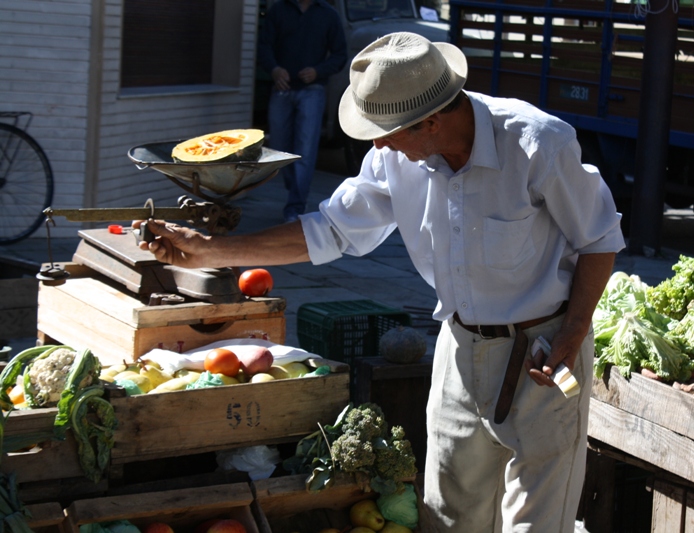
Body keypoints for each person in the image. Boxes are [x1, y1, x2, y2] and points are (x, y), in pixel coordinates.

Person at [138, 32, 625, 533]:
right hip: (460, 348)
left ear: (431, 122)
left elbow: (600, 239)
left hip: (545, 348)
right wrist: (211, 251)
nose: (377, 143)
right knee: (449, 515)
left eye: (386, 132)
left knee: (538, 521)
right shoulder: (397, 156)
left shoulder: (538, 142)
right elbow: (329, 230)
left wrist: (574, 331)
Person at [258, 0, 347, 222]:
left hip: (313, 91)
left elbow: (340, 55)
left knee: (305, 152)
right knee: (279, 149)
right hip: (282, 89)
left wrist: (318, 71)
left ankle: (295, 208)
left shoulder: (329, 14)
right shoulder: (279, 10)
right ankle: (295, 187)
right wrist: (275, 69)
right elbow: (264, 46)